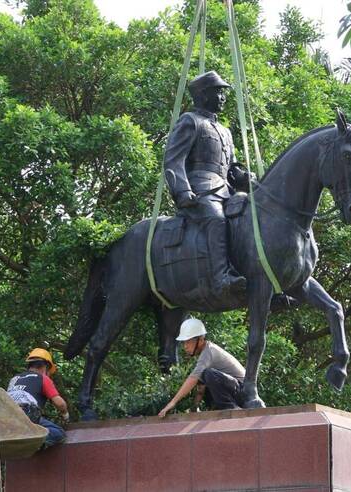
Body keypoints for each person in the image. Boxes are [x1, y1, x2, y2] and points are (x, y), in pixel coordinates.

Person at [162, 70, 252, 297]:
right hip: (201, 189)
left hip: (226, 190)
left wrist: (243, 178)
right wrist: (182, 191)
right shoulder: (190, 121)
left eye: (223, 93)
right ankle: (221, 277)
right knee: (217, 220)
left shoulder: (225, 131)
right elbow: (173, 159)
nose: (223, 97)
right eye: (218, 92)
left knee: (253, 217)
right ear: (202, 95)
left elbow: (230, 167)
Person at [158, 318, 246, 417]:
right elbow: (201, 387)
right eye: (184, 343)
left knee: (208, 374)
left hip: (243, 391)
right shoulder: (204, 354)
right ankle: (215, 409)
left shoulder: (208, 352)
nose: (185, 346)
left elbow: (193, 378)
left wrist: (172, 402)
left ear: (200, 340)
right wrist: (194, 408)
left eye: (188, 342)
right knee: (204, 376)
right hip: (235, 389)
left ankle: (231, 409)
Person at [7, 348, 70, 448]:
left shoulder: (14, 379)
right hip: (26, 415)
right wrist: (65, 414)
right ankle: (31, 441)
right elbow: (60, 404)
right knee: (59, 433)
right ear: (45, 367)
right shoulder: (43, 378)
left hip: (6, 418)